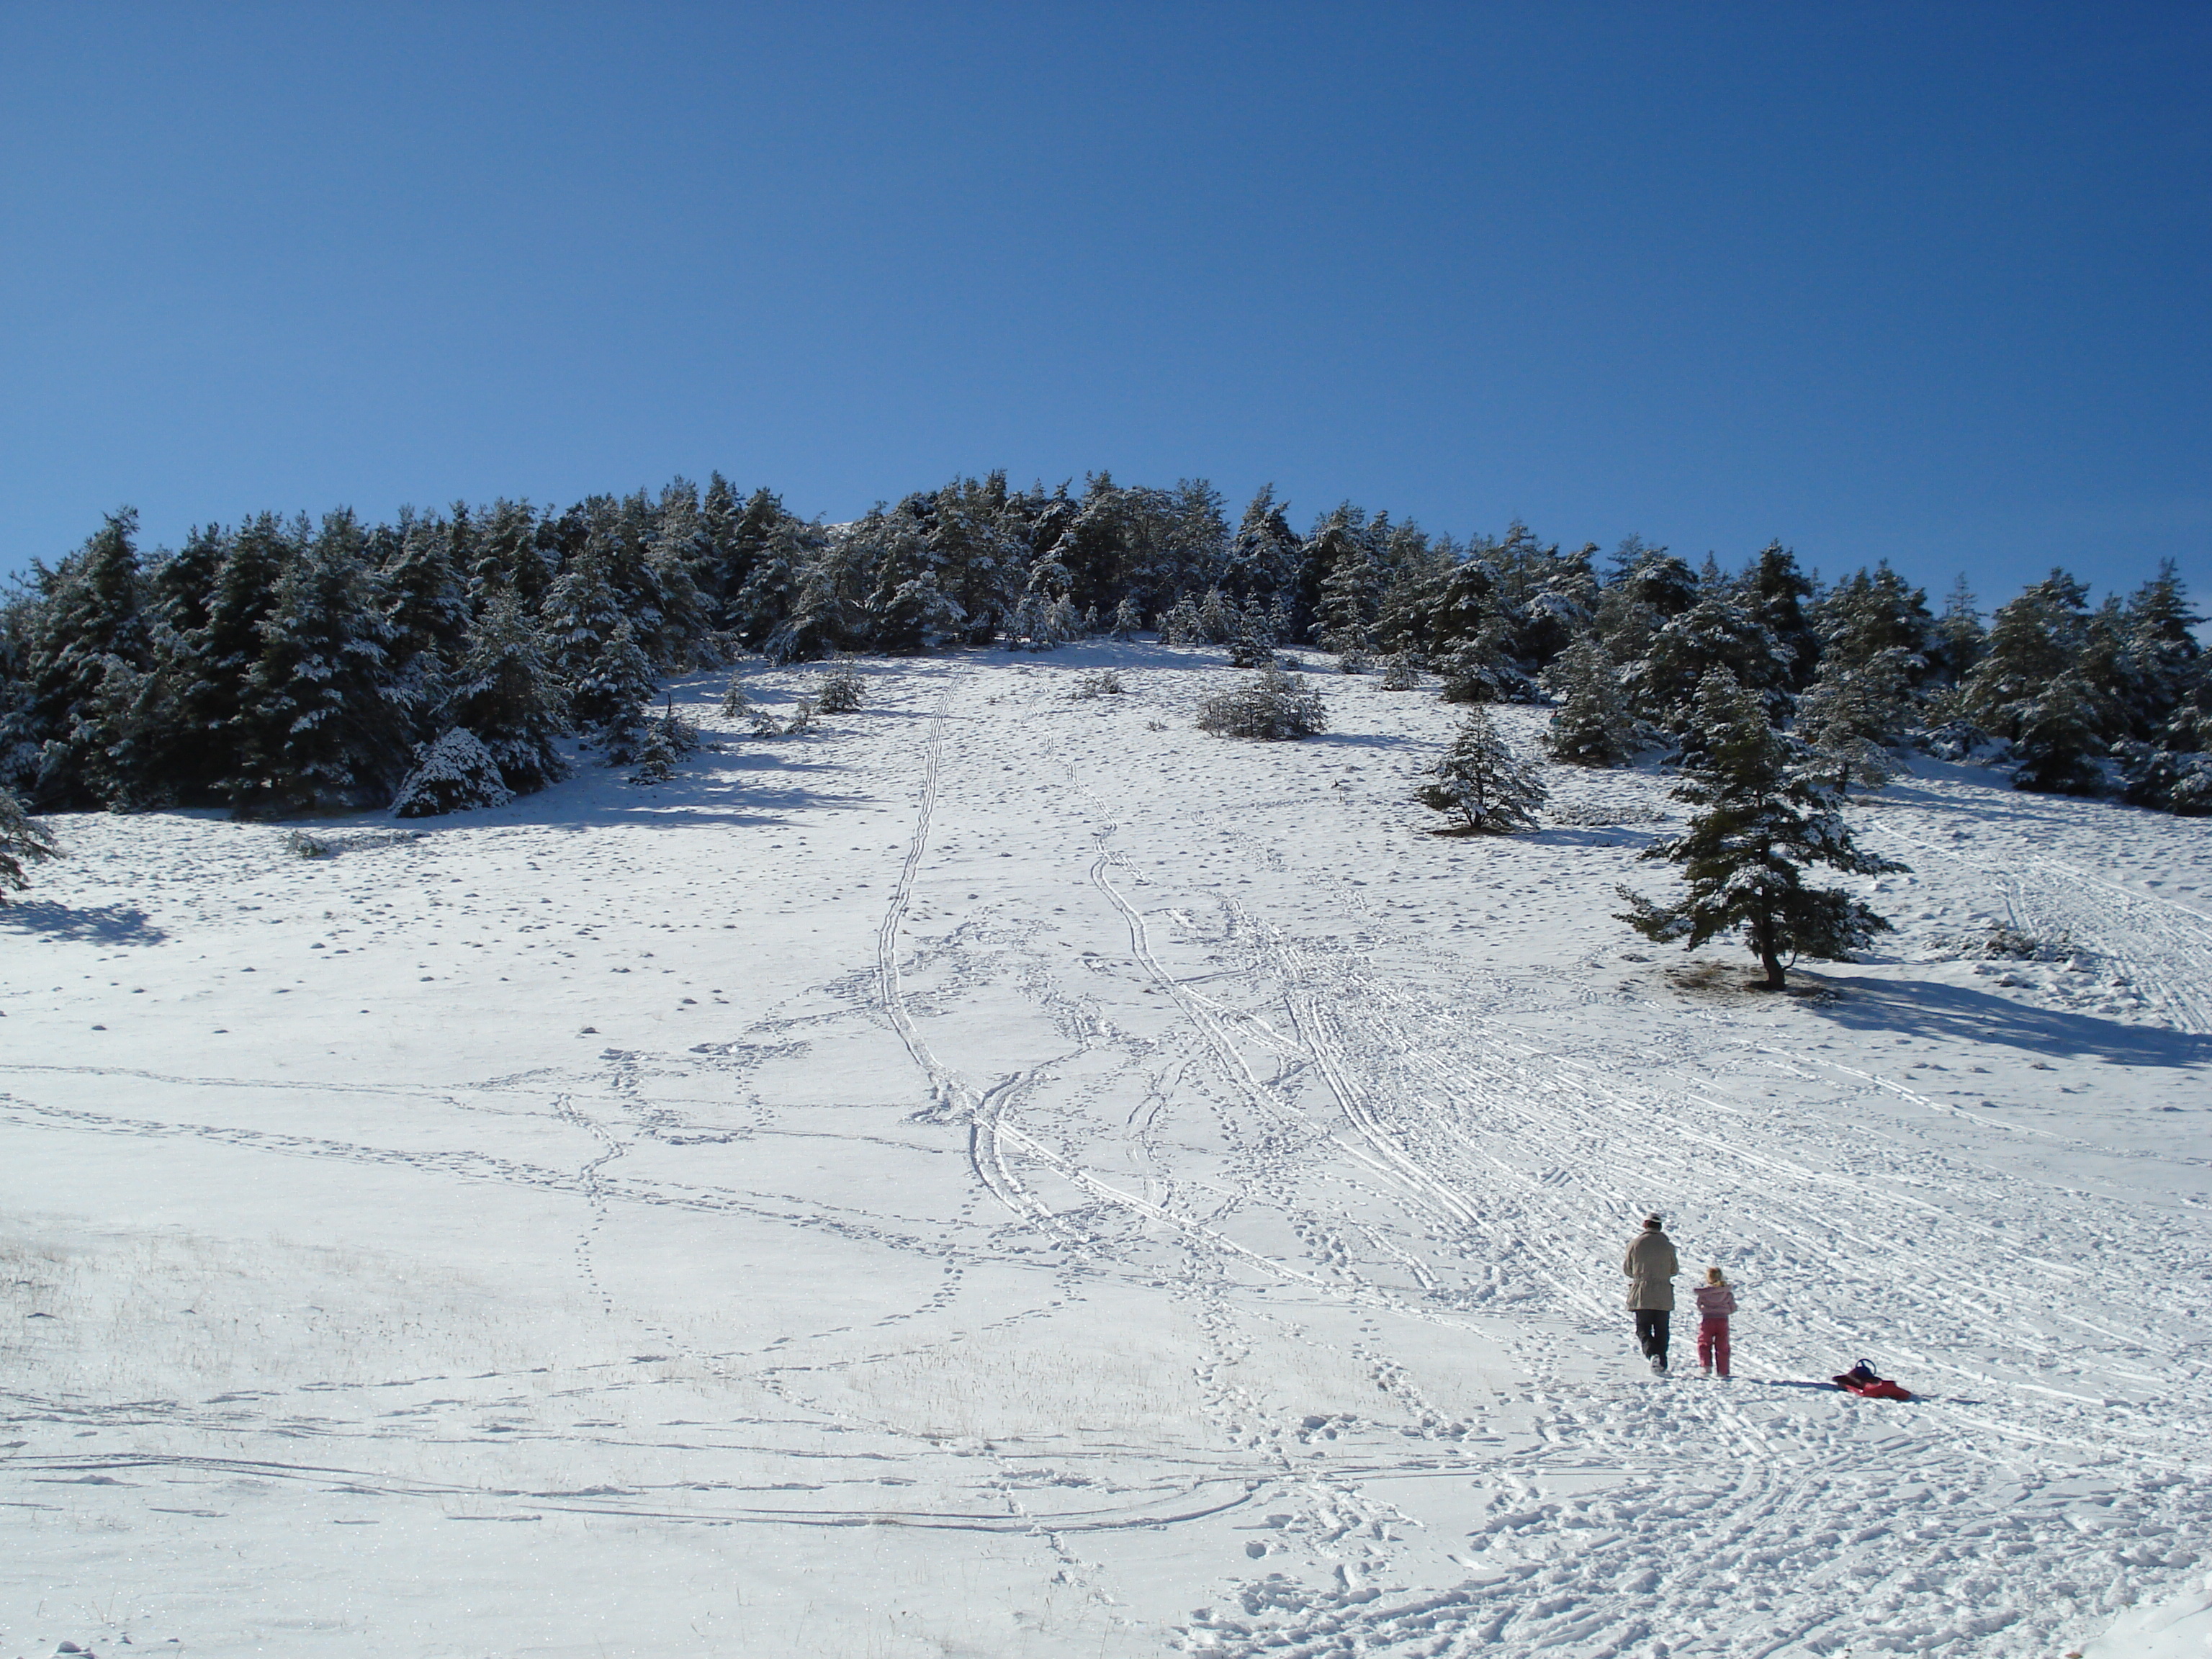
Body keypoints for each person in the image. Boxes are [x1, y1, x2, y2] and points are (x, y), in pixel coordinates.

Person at [1622, 1214, 1679, 1372]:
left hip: (1642, 1292)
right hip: (1663, 1293)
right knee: (1662, 1329)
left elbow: (1628, 1270)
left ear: (1645, 1224)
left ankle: (1652, 1353)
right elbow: (1674, 1269)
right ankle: (1661, 1362)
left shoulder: (1635, 1244)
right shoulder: (1668, 1246)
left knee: (1643, 1328)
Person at [1694, 1267, 1736, 1378]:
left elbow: (1699, 1305)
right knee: (1723, 1345)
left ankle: (1706, 1366)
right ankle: (1723, 1371)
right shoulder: (1727, 1293)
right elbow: (1733, 1307)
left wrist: (1705, 1310)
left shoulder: (1704, 1293)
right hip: (1722, 1320)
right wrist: (1726, 1311)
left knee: (1704, 1342)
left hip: (1707, 1320)